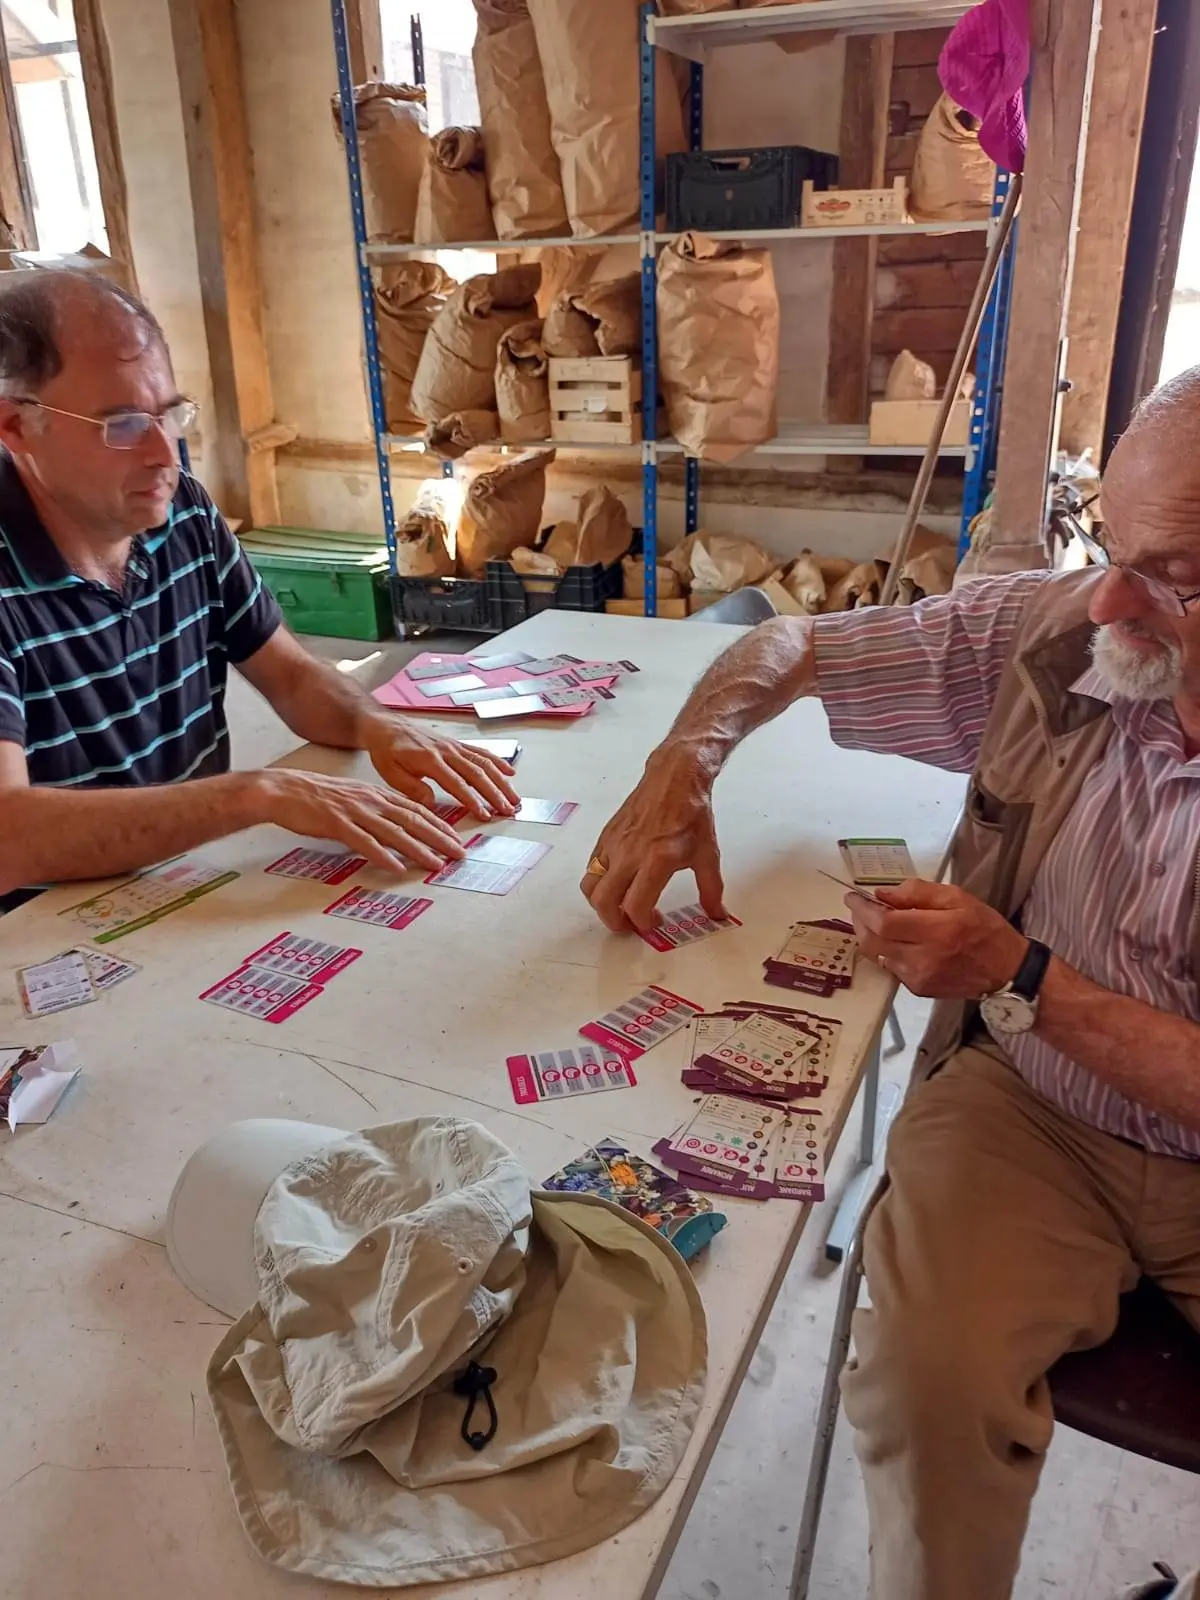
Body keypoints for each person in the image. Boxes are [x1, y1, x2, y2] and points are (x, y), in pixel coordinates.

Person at [581, 367, 1200, 1600]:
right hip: (1035, 1110)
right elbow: (791, 637)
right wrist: (686, 760)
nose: (1115, 601)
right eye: (1110, 544)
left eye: (1177, 572)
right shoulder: (1064, 634)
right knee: (921, 1378)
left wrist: (1019, 972)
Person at [0, 269, 517, 904]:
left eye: (170, 414)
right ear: (16, 427)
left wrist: (376, 725)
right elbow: (10, 839)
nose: (166, 455)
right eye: (124, 425)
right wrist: (255, 793)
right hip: (39, 934)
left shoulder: (181, 512)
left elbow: (292, 676)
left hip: (180, 881)